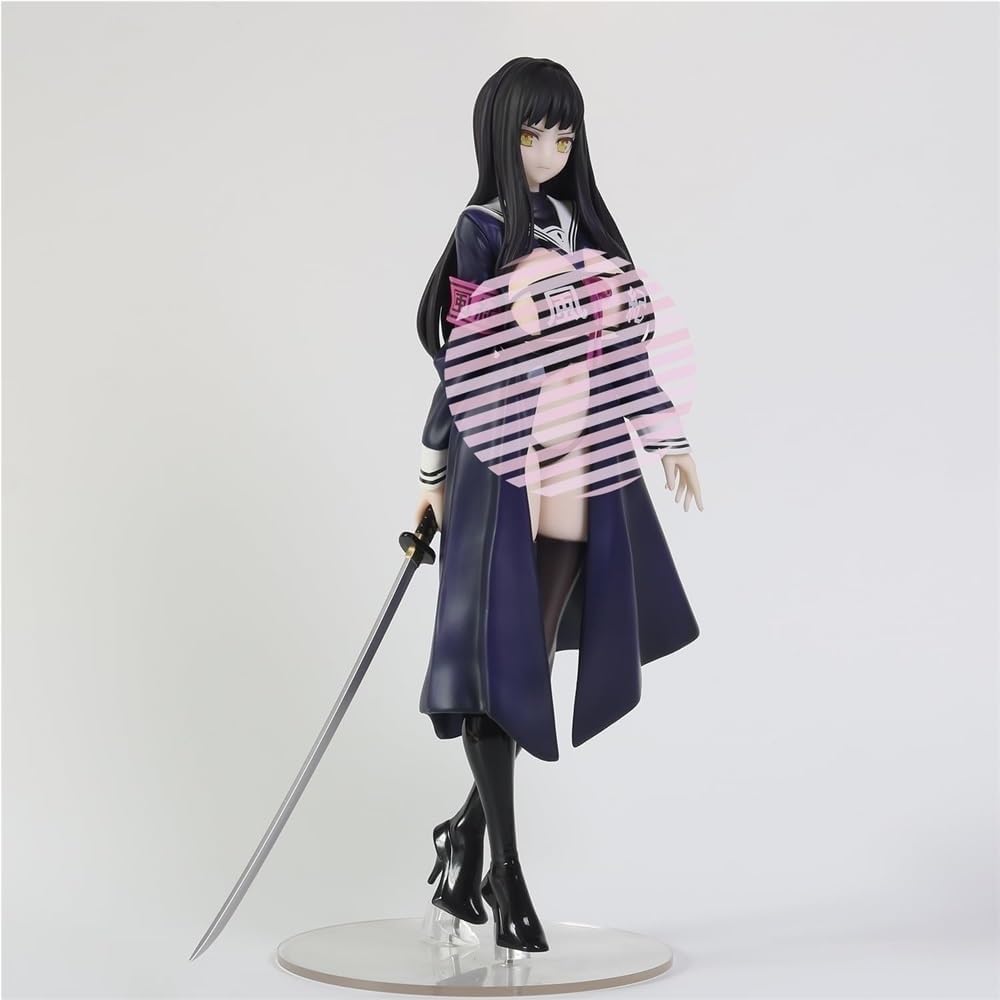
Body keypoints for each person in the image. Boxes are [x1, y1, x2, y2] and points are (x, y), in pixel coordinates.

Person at [413, 57, 704, 954]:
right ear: (500, 138)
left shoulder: (589, 234)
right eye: (531, 135)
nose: (547, 152)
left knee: (524, 664)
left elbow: (626, 355)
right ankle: (504, 870)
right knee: (494, 662)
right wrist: (430, 474)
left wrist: (668, 438)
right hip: (502, 467)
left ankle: (463, 840)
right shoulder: (482, 229)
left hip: (578, 469)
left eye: (563, 136)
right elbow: (458, 362)